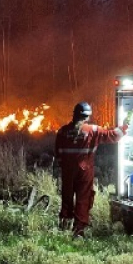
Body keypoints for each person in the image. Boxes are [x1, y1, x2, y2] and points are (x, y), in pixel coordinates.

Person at [55, 101, 127, 237]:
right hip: (84, 170)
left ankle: (64, 227)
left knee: (67, 198)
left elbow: (58, 154)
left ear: (74, 115)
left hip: (67, 171)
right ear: (87, 116)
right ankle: (79, 231)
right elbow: (113, 136)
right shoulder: (93, 130)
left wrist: (64, 167)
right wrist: (124, 127)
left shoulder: (62, 131)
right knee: (83, 199)